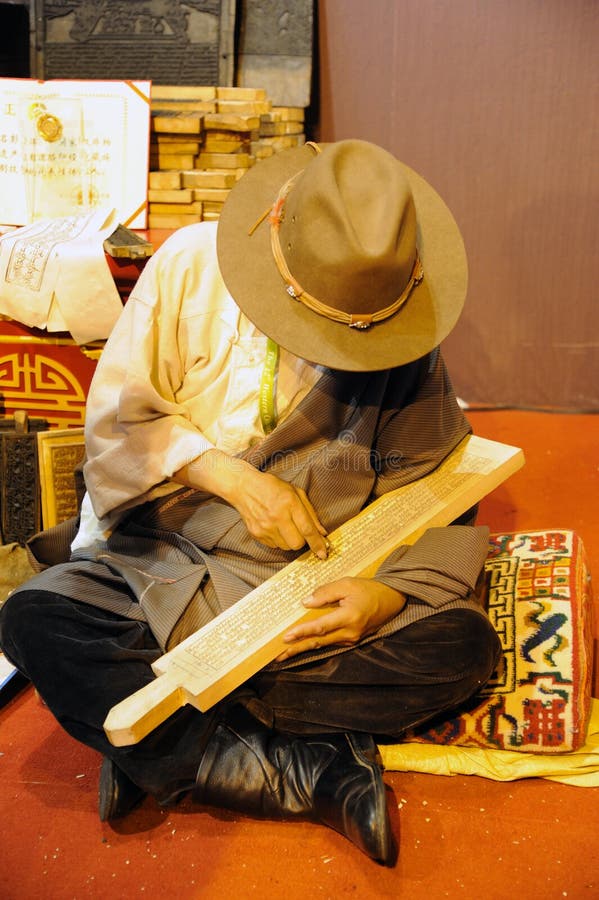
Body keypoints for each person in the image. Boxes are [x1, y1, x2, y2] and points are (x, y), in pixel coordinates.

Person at [0, 139, 501, 866]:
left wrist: (385, 598)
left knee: (457, 650)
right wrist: (233, 479)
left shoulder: (403, 327)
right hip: (172, 559)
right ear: (275, 232)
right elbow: (117, 425)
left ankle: (165, 741)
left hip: (308, 586)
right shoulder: (189, 263)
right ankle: (311, 772)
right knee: (38, 620)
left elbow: (433, 490)